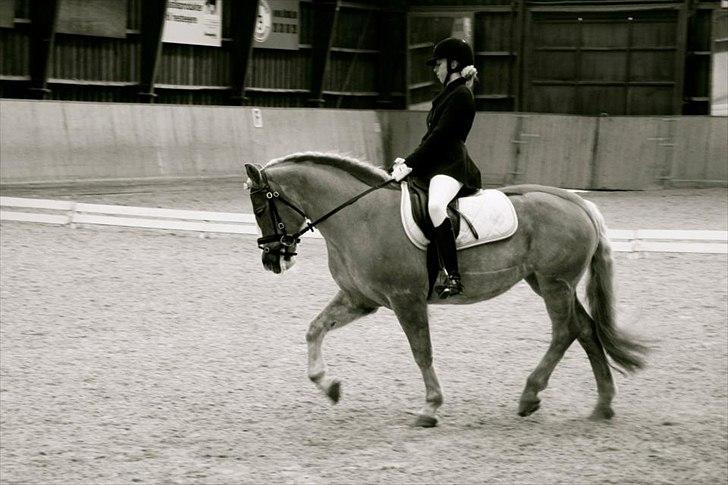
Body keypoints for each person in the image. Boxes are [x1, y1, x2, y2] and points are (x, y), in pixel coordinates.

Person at [391, 37, 482, 299]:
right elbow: (429, 138)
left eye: (438, 64)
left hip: (452, 166)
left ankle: (453, 275)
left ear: (454, 64)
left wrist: (411, 163)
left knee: (435, 206)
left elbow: (441, 137)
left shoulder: (462, 96)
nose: (435, 69)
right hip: (434, 164)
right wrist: (406, 161)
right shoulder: (445, 95)